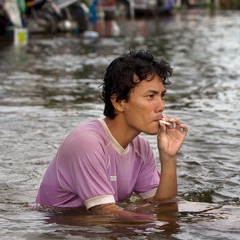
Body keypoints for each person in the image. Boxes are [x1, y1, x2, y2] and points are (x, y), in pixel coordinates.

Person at [35, 49, 188, 220]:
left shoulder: (141, 148)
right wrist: (164, 222)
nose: (161, 106)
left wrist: (169, 157)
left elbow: (162, 207)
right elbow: (105, 216)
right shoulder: (87, 143)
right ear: (119, 102)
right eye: (150, 96)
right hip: (62, 228)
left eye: (162, 96)